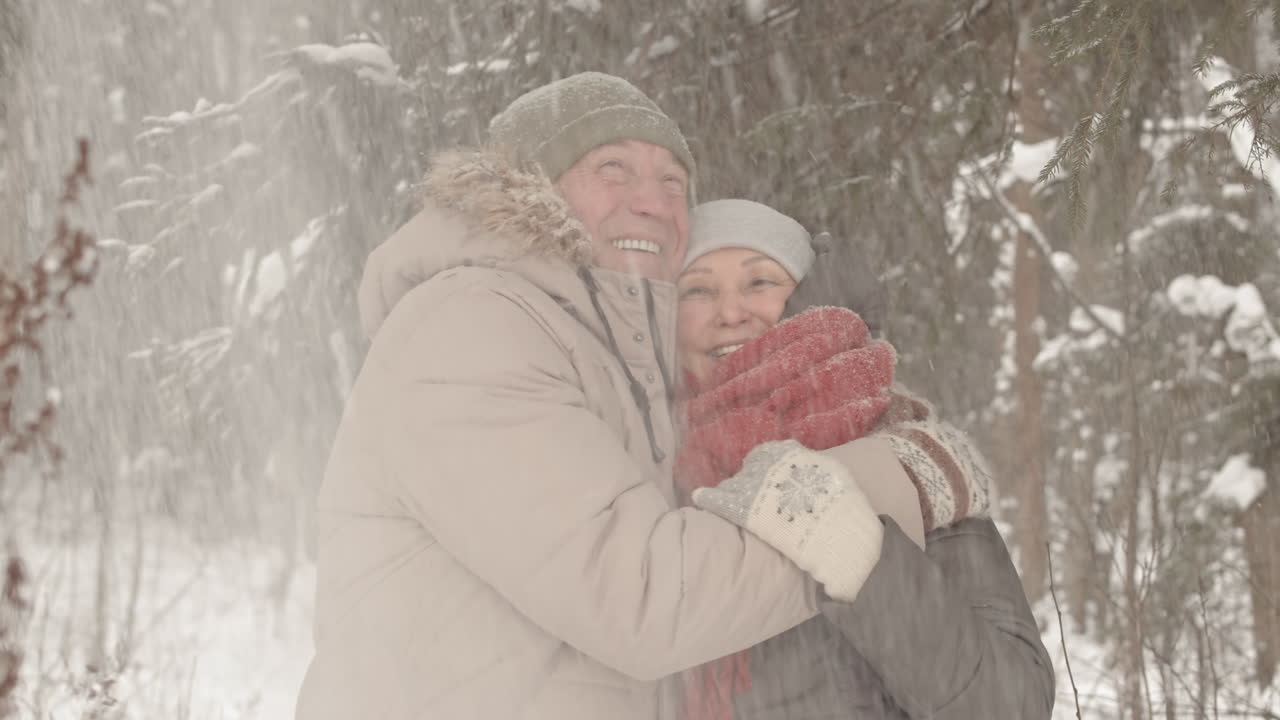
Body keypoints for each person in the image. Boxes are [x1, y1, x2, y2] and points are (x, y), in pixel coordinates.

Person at [295, 74, 919, 720]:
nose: (653, 202)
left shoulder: (603, 355)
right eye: (613, 168)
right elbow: (644, 602)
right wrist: (893, 481)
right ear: (531, 186)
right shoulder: (467, 326)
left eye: (673, 181)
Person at [672, 198, 1056, 719]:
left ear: (806, 302)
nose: (731, 312)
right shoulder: (643, 470)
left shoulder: (904, 461)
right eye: (698, 289)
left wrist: (861, 559)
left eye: (759, 282)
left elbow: (1011, 705)